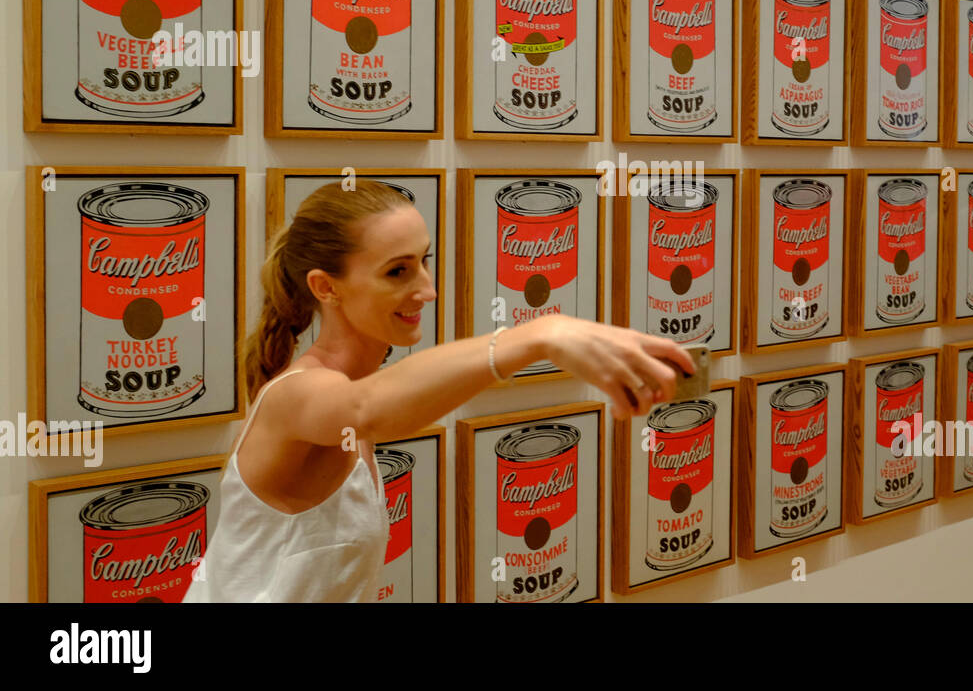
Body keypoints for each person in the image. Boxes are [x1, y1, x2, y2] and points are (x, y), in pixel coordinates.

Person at [184, 179, 692, 602]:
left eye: (424, 262)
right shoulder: (301, 394)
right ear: (325, 287)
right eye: (398, 271)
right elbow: (368, 409)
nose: (427, 288)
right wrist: (538, 334)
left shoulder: (352, 388)